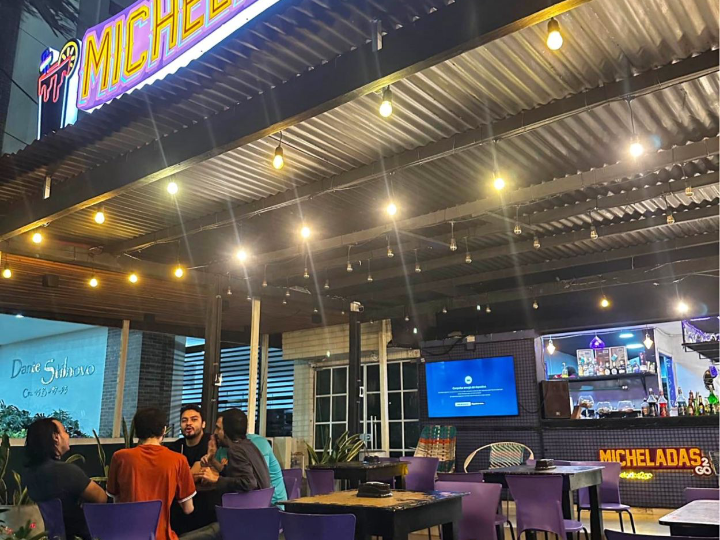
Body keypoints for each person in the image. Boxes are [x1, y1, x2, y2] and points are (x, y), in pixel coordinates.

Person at [107, 407, 196, 540]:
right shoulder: (179, 460)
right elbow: (188, 509)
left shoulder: (120, 457)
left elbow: (117, 502)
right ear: (164, 430)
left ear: (136, 432)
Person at [23, 418, 107, 540]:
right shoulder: (66, 471)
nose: (68, 436)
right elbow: (101, 498)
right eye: (65, 431)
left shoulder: (30, 473)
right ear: (56, 437)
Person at [167, 405, 219, 534]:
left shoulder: (209, 442)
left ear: (203, 424)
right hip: (180, 506)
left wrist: (183, 476)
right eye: (184, 420)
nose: (188, 423)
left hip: (205, 507)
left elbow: (188, 478)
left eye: (194, 419)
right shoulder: (175, 447)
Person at [196, 409, 270, 494]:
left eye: (218, 428)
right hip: (262, 500)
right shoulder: (247, 445)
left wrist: (216, 479)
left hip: (250, 501)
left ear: (227, 430)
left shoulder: (235, 450)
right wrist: (213, 461)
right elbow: (235, 473)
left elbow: (249, 483)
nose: (215, 432)